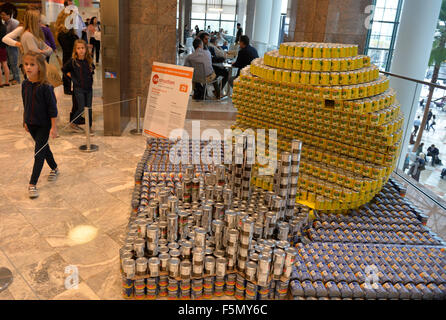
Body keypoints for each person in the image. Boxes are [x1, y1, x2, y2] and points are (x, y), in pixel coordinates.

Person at [21, 51, 59, 199]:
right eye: (26, 64)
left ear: (40, 67)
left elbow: (53, 109)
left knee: (38, 153)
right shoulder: (25, 84)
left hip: (43, 125)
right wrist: (24, 120)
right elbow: (25, 104)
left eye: (32, 64)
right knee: (44, 148)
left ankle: (32, 184)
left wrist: (53, 127)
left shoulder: (46, 87)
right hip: (31, 124)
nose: (28, 67)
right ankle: (55, 168)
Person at [62, 39, 96, 134]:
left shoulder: (88, 60)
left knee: (89, 108)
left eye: (82, 48)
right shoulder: (73, 61)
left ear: (86, 49)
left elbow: (93, 68)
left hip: (89, 88)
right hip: (79, 89)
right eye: (78, 48)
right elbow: (64, 69)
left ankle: (89, 127)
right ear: (75, 50)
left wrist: (90, 71)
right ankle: (73, 122)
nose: (81, 50)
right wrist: (72, 77)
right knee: (81, 108)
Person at [56, 9, 79, 95]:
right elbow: (68, 49)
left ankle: (68, 87)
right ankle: (67, 88)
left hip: (70, 57)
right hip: (69, 57)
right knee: (68, 72)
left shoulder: (69, 32)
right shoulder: (63, 34)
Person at [0, 4, 20, 84]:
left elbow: (15, 36)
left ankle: (17, 79)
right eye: (1, 15)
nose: (2, 16)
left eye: (4, 15)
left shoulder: (14, 23)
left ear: (9, 15)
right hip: (6, 45)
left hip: (13, 46)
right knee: (9, 63)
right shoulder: (5, 22)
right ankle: (13, 77)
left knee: (14, 63)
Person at [0, 19, 10, 87]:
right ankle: (7, 82)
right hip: (3, 47)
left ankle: (0, 83)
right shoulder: (4, 26)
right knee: (5, 64)